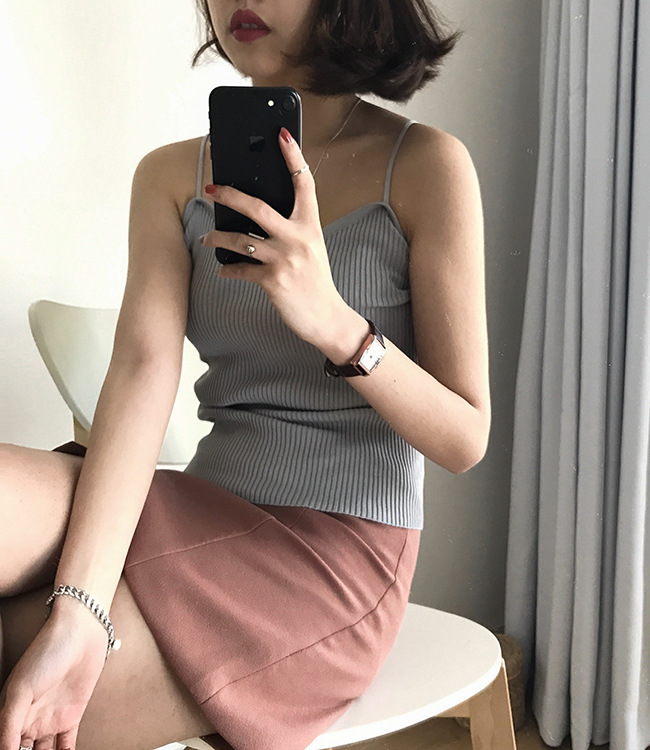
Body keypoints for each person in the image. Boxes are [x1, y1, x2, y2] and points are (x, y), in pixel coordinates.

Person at [0, 0, 490, 748]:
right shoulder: (171, 176)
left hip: (329, 561)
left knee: (14, 671)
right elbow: (142, 373)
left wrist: (333, 321)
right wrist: (79, 609)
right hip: (200, 502)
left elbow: (464, 438)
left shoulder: (427, 167)